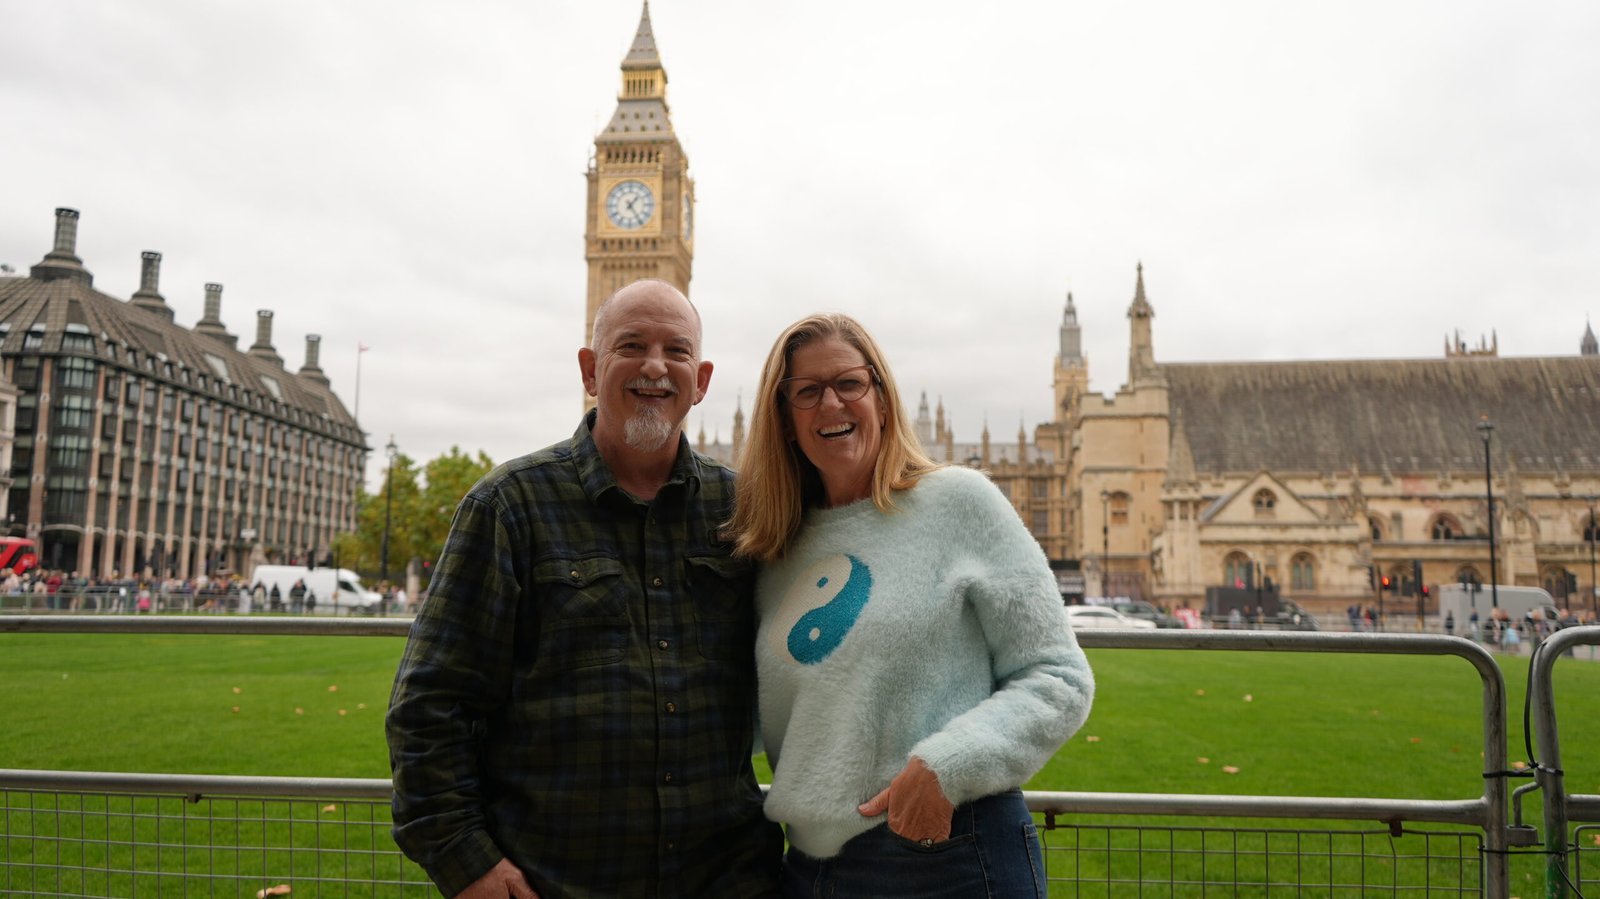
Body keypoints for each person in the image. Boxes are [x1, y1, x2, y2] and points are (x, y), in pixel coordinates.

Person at [386, 280, 782, 899]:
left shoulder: (745, 512)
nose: (655, 366)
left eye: (676, 351)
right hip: (559, 879)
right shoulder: (509, 506)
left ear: (700, 381)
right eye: (631, 345)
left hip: (726, 878)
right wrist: (466, 862)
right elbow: (429, 706)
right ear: (590, 370)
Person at [724, 313, 1094, 899]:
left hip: (945, 854)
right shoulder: (774, 547)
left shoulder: (958, 502)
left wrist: (947, 765)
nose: (832, 404)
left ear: (883, 396)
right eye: (808, 391)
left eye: (850, 383)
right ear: (782, 417)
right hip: (806, 868)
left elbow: (1059, 677)